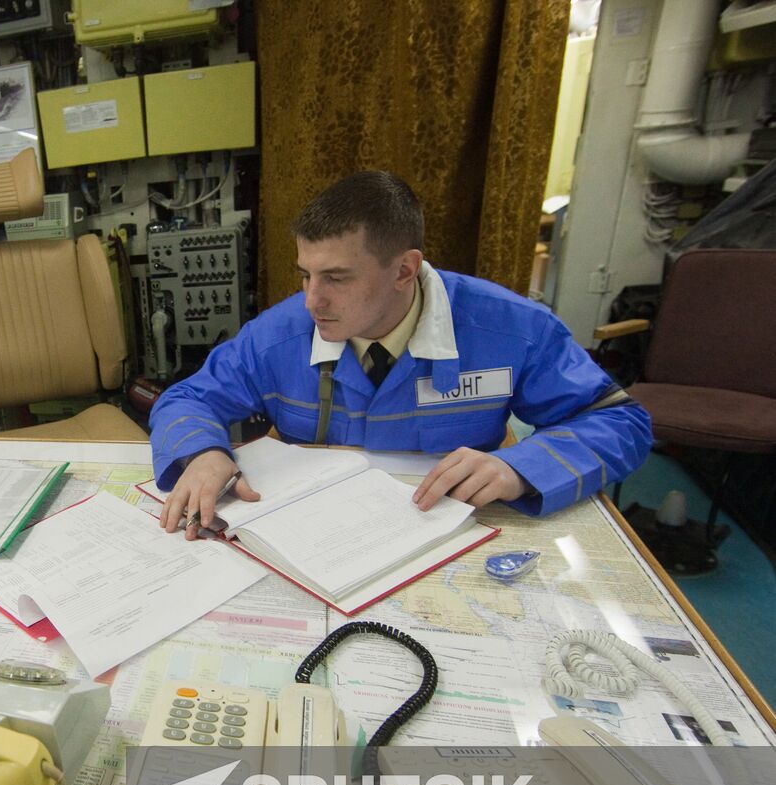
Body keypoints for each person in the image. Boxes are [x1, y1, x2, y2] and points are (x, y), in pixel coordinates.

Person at [151, 171, 651, 535]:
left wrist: (520, 469)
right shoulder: (280, 334)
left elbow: (620, 422)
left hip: (450, 531)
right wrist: (203, 453)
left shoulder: (512, 329)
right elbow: (188, 398)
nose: (312, 300)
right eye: (306, 274)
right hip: (314, 534)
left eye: (337, 278)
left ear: (404, 271)